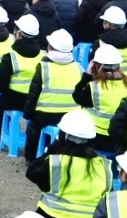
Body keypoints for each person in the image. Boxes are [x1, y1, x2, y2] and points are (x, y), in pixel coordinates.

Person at [27, 109, 110, 218]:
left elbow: (32, 171)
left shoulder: (56, 163)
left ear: (63, 136)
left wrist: (53, 148)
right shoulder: (104, 166)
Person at [22, 30, 82, 162]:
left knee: (33, 128)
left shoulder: (44, 67)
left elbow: (33, 94)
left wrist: (28, 114)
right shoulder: (78, 67)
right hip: (71, 115)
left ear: (51, 47)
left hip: (45, 114)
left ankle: (30, 158)